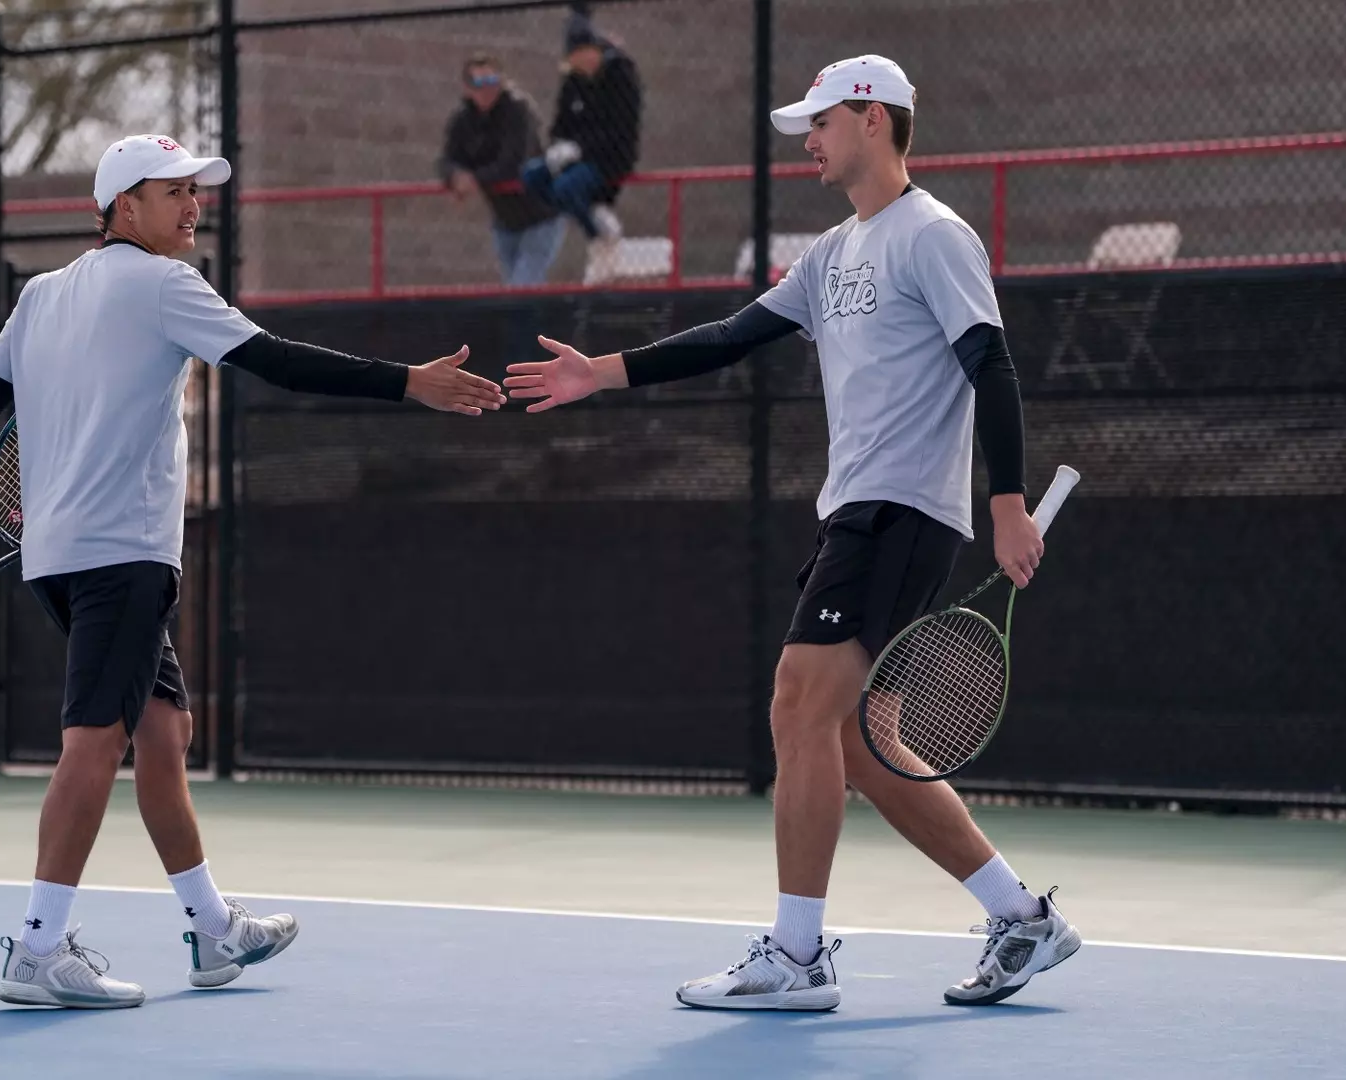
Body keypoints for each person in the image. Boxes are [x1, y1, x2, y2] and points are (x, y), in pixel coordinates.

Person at [503, 56, 1081, 1011]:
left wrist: (1006, 503)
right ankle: (1021, 918)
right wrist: (599, 373)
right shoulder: (830, 254)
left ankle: (797, 957)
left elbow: (995, 365)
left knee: (796, 704)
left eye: (819, 122)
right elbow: (731, 335)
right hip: (851, 510)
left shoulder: (934, 236)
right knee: (858, 742)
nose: (807, 140)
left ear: (871, 118)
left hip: (899, 512)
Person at [0, 133, 505, 1009]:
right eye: (174, 193)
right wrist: (407, 384)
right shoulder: (165, 285)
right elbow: (273, 359)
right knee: (96, 742)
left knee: (164, 735)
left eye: (197, 192)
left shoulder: (41, 295)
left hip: (55, 556)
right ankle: (39, 948)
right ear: (125, 206)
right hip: (121, 556)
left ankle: (212, 927)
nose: (194, 207)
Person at [521, 13, 641, 284]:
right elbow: (560, 125)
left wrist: (578, 148)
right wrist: (557, 148)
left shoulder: (620, 77)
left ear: (594, 50)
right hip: (574, 159)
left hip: (609, 158)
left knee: (567, 187)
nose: (580, 64)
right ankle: (592, 213)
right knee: (532, 177)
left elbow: (620, 130)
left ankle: (598, 236)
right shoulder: (573, 81)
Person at [438, 53, 565, 286]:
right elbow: (447, 160)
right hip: (506, 221)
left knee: (522, 289)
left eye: (492, 81)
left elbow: (513, 163)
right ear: (467, 88)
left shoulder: (517, 109)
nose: (487, 89)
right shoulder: (463, 119)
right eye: (479, 83)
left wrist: (473, 179)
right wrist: (455, 177)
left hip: (542, 214)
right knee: (517, 290)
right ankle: (544, 322)